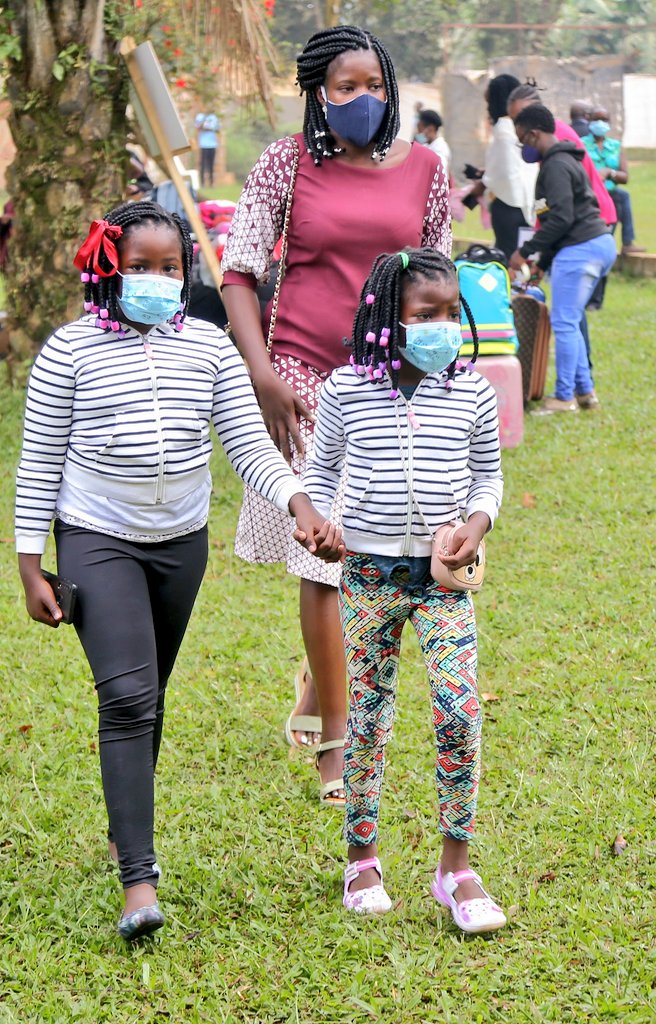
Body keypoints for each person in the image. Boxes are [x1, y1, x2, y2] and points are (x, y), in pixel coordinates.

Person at [14, 201, 342, 940]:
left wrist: (299, 502)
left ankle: (123, 825)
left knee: (149, 692)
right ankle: (139, 878)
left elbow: (250, 445)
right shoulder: (68, 352)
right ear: (109, 270)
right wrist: (31, 564)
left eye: (170, 269)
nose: (157, 282)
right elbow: (37, 463)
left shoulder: (210, 348)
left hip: (180, 542)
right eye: (140, 268)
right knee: (127, 695)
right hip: (98, 536)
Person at [221, 25, 451, 808]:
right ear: (319, 93)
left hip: (388, 391)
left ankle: (317, 688)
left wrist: (441, 385)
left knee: (379, 556)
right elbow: (240, 270)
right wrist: (259, 373)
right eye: (345, 87)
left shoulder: (427, 168)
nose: (363, 100)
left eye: (375, 85)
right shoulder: (287, 163)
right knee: (326, 559)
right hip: (301, 383)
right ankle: (336, 744)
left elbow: (436, 280)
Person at [302, 247, 506, 932]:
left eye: (452, 313)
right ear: (390, 318)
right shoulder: (344, 390)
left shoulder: (472, 391)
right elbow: (320, 471)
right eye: (426, 315)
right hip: (367, 576)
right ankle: (362, 857)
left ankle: (456, 867)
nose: (442, 327)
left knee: (458, 709)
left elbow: (487, 478)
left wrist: (476, 525)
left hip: (443, 583)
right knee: (365, 717)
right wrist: (322, 525)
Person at [509, 105, 616, 413]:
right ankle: (585, 392)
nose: (522, 147)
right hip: (597, 243)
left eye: (522, 139)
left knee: (564, 322)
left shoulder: (555, 166)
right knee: (570, 318)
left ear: (534, 134)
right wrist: (542, 264)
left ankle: (564, 396)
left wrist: (525, 252)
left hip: (581, 247)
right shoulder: (566, 161)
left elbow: (562, 220)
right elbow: (558, 219)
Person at [466, 75, 537, 261]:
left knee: (508, 256)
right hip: (525, 201)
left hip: (508, 204)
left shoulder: (503, 129)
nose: (488, 107)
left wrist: (483, 182)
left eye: (489, 101)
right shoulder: (520, 125)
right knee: (519, 253)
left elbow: (504, 172)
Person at [582, 107, 646, 256]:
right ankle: (610, 243)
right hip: (591, 191)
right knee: (617, 202)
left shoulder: (615, 146)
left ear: (609, 123)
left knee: (622, 197)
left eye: (604, 120)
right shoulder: (582, 144)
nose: (600, 123)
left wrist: (609, 173)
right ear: (589, 121)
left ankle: (626, 242)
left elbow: (625, 177)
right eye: (596, 119)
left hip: (610, 192)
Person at [417, 109, 451, 178]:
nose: (418, 132)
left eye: (419, 128)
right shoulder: (426, 146)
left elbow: (440, 174)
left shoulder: (440, 149)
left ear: (430, 128)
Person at [195, 111, 220, 188]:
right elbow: (197, 127)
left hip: (212, 144)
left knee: (211, 165)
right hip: (203, 144)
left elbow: (217, 128)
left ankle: (211, 183)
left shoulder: (213, 117)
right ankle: (202, 183)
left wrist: (209, 127)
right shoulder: (200, 116)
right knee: (203, 165)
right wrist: (203, 124)